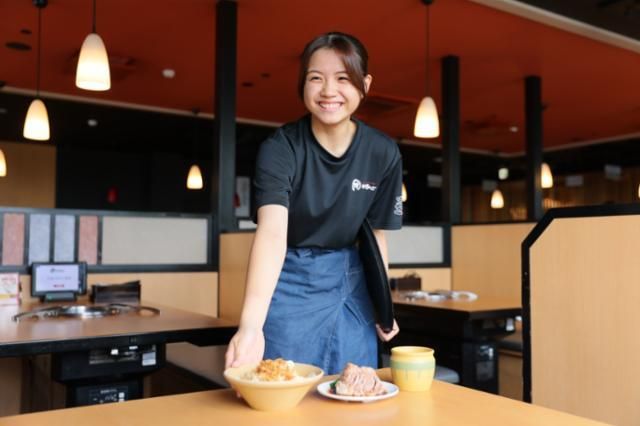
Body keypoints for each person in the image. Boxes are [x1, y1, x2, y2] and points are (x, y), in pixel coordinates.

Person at [224, 32, 402, 375]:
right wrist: (250, 326)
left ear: (365, 84)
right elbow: (272, 234)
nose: (328, 91)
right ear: (302, 84)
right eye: (316, 78)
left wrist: (384, 304)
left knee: (353, 384)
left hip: (353, 284)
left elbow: (376, 235)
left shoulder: (383, 152)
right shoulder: (281, 149)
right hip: (292, 279)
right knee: (286, 385)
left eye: (343, 78)